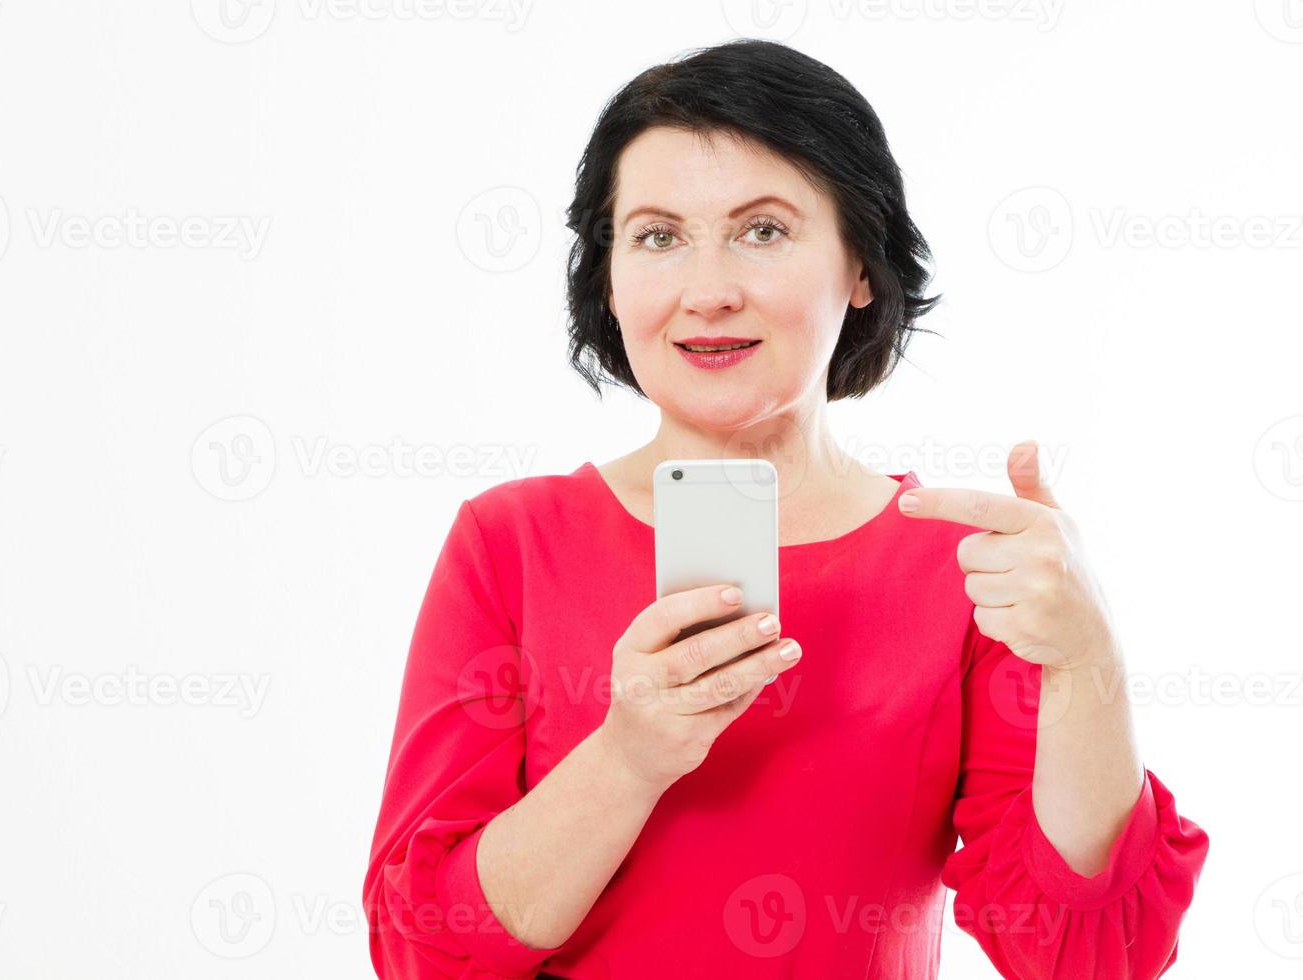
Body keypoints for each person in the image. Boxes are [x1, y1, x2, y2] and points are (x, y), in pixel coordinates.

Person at [362, 38, 1208, 979]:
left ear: (860, 268)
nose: (709, 290)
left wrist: (1089, 659)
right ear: (608, 276)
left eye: (763, 230)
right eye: (657, 235)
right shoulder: (510, 543)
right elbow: (424, 951)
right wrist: (631, 756)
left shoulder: (966, 562)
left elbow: (1084, 957)